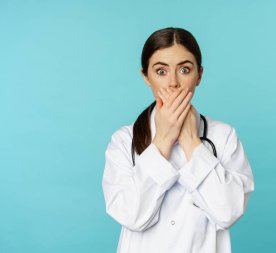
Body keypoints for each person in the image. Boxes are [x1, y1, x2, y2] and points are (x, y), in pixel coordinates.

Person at [102, 27, 255, 253]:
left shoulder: (223, 136)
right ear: (146, 77)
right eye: (161, 71)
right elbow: (131, 216)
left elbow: (229, 212)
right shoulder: (124, 140)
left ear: (199, 75)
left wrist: (192, 142)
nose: (173, 83)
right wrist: (163, 140)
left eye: (184, 69)